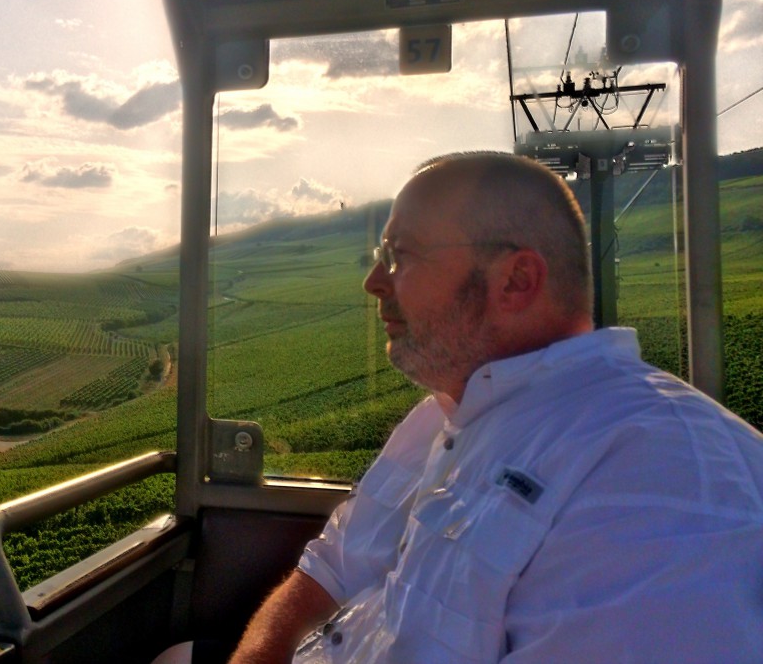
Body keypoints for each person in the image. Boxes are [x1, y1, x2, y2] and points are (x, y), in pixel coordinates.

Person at [223, 151, 763, 663]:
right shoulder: (441, 416)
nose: (373, 283)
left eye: (399, 256)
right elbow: (332, 568)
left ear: (516, 281)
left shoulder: (664, 480)